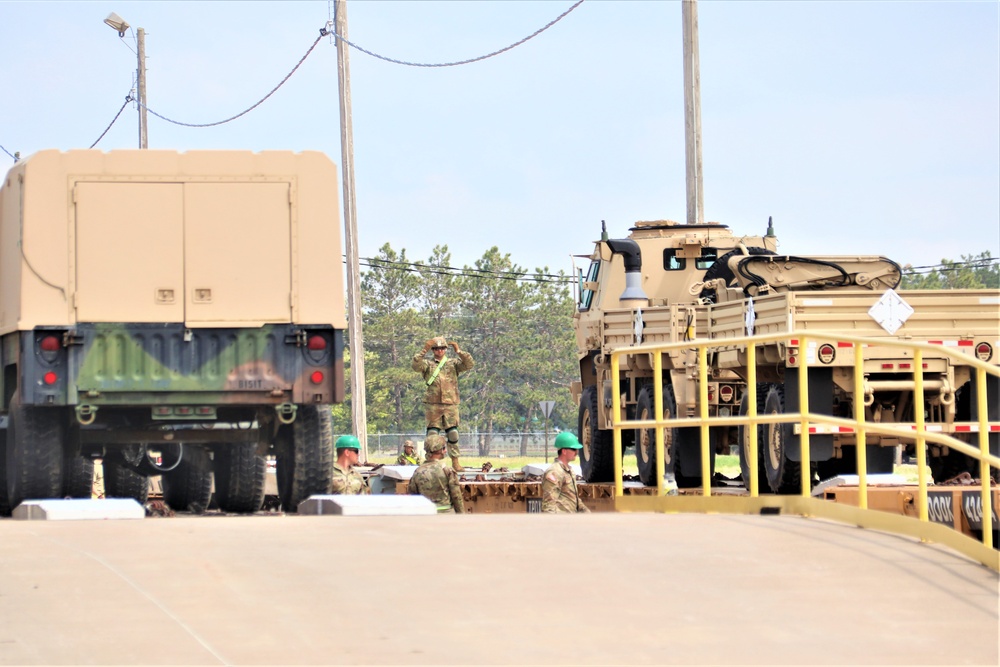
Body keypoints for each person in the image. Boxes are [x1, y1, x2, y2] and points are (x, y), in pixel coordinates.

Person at [411, 336, 474, 471]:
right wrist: (424, 350)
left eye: (442, 348)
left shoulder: (453, 363)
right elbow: (416, 366)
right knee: (432, 435)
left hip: (450, 404)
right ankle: (431, 463)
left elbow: (469, 364)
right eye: (436, 348)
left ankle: (455, 462)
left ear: (445, 349)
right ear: (433, 350)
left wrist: (459, 351)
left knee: (453, 434)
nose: (439, 351)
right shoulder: (428, 364)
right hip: (433, 405)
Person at [408, 434, 465, 514]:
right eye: (444, 448)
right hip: (446, 514)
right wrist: (462, 516)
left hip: (425, 514)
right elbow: (456, 496)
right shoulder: (447, 470)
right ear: (439, 450)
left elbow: (413, 496)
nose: (445, 451)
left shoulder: (418, 472)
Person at [541, 432, 591, 513]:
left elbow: (572, 497)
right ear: (564, 451)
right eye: (574, 449)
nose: (576, 452)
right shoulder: (555, 471)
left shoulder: (568, 470)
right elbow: (549, 504)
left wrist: (586, 512)